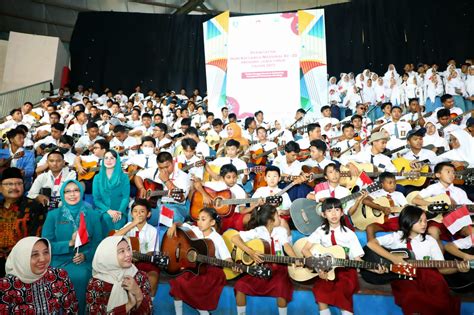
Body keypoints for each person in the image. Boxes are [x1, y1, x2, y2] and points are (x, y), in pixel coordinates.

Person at [367, 206, 468, 314]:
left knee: (440, 297)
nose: (424, 224)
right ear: (408, 220)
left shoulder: (430, 241)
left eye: (425, 221)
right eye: (420, 221)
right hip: (405, 276)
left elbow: (442, 268)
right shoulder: (396, 237)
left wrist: (457, 268)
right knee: (411, 296)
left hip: (430, 276)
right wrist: (394, 259)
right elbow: (371, 243)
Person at [302, 198, 384, 315]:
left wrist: (374, 269)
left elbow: (357, 259)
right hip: (326, 270)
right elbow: (305, 249)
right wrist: (318, 267)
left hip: (346, 272)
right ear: (324, 214)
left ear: (342, 213)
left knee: (341, 292)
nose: (334, 213)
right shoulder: (320, 231)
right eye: (329, 211)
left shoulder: (349, 234)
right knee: (320, 291)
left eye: (337, 210)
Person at [42, 179, 102, 314]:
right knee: (57, 277)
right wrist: (69, 243)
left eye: (76, 190)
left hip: (84, 260)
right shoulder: (53, 215)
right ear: (62, 194)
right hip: (58, 259)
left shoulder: (92, 214)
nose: (72, 194)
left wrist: (86, 255)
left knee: (80, 276)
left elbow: (98, 243)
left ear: (81, 193)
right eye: (67, 191)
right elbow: (46, 245)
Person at [232, 204, 300, 315]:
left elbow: (287, 246)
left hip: (279, 268)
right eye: (278, 216)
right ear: (270, 220)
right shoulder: (258, 231)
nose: (280, 219)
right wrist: (250, 252)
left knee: (281, 287)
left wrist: (295, 258)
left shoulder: (281, 231)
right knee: (240, 285)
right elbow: (235, 238)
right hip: (260, 268)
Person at [167, 207, 232, 315]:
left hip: (211, 270)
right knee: (178, 282)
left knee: (191, 285)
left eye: (203, 219)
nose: (199, 222)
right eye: (198, 219)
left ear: (212, 222)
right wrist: (174, 225)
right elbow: (181, 224)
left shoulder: (217, 238)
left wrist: (231, 264)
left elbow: (227, 259)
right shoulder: (195, 230)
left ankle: (203, 312)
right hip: (194, 267)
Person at [0, 236, 79, 313]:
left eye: (46, 252)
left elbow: (71, 309)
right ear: (22, 258)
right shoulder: (6, 285)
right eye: (34, 254)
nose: (43, 259)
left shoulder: (59, 275)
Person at [86, 236, 153, 314]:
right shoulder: (96, 284)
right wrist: (128, 306)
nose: (128, 254)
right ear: (109, 256)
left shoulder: (140, 276)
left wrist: (138, 294)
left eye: (129, 249)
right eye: (122, 251)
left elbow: (149, 312)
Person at [0, 167, 47, 277]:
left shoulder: (34, 207)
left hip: (23, 261)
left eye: (18, 183)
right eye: (9, 184)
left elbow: (36, 238)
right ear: (1, 188)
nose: (14, 187)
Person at [114, 199, 160, 296]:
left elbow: (152, 252)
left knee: (153, 277)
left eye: (142, 211)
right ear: (131, 214)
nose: (138, 214)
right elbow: (113, 238)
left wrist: (139, 256)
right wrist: (133, 224)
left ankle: (149, 303)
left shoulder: (152, 231)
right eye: (135, 211)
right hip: (128, 261)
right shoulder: (128, 226)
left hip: (145, 261)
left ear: (148, 214)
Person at [93, 150, 131, 235]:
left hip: (119, 211)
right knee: (106, 218)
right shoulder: (97, 177)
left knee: (118, 220)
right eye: (106, 158)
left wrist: (120, 211)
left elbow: (125, 197)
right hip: (102, 210)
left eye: (112, 158)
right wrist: (108, 211)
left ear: (117, 160)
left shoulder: (124, 177)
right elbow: (96, 200)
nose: (108, 160)